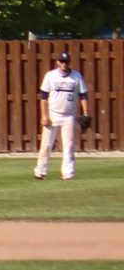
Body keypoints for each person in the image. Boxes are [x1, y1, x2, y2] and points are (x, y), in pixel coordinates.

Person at [35, 49, 90, 180]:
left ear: (69, 62)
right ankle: (40, 171)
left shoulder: (76, 76)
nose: (64, 64)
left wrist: (86, 112)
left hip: (69, 115)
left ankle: (68, 173)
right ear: (57, 62)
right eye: (61, 61)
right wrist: (44, 115)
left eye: (66, 61)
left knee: (68, 145)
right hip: (52, 113)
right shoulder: (50, 76)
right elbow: (43, 97)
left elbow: (83, 95)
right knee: (46, 144)